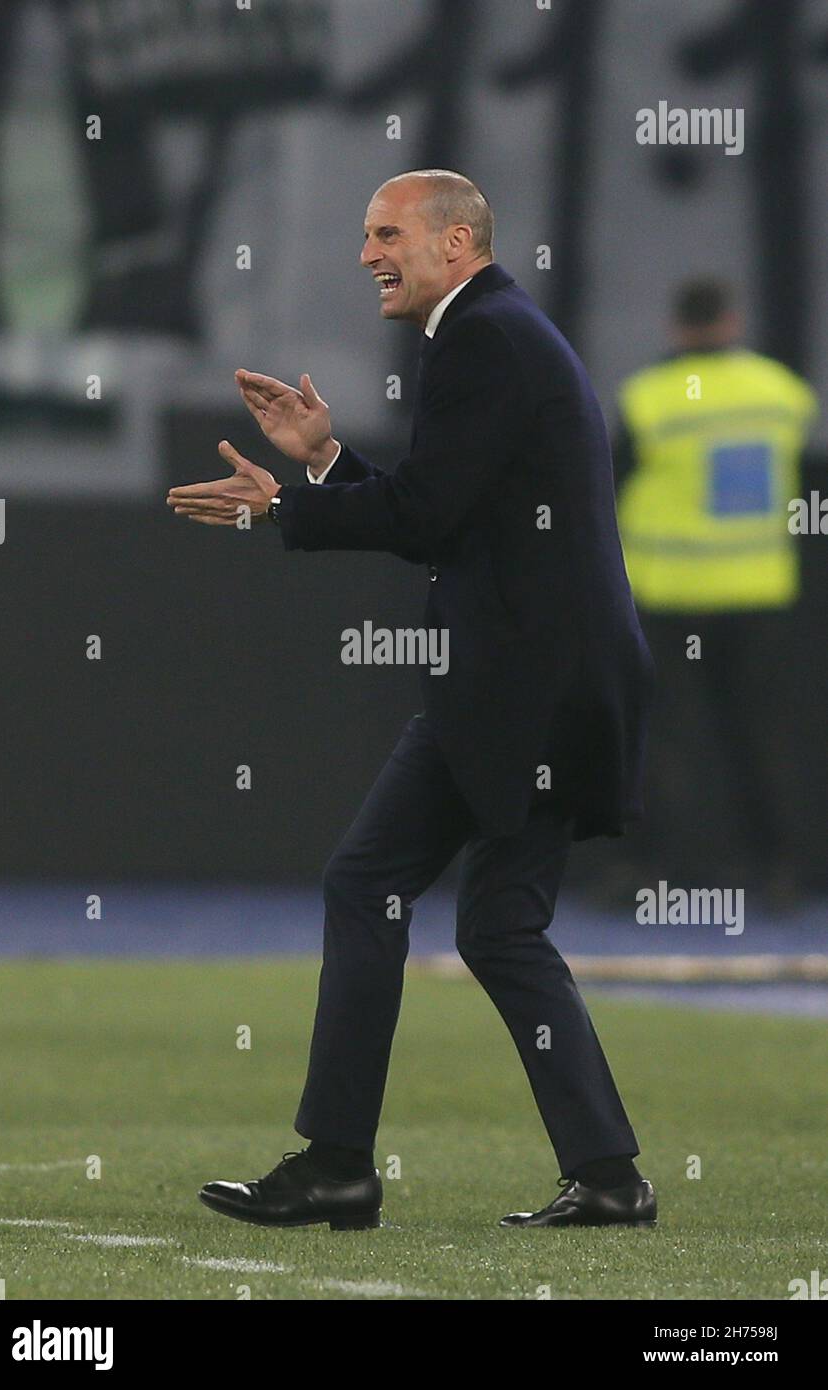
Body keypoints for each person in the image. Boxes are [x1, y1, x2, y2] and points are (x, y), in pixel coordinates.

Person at [168, 170, 656, 1231]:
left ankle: (338, 1163)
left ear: (454, 241)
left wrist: (284, 507)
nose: (365, 254)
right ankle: (607, 1175)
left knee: (366, 881)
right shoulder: (500, 331)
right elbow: (452, 507)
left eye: (385, 232)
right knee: (496, 926)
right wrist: (331, 460)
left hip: (521, 692)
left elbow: (429, 513)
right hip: (554, 682)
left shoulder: (479, 338)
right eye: (362, 234)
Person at [613, 279, 818, 904]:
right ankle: (781, 873)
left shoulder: (649, 399)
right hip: (759, 594)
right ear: (732, 320)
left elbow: (605, 487)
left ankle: (654, 876)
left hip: (671, 595)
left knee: (664, 738)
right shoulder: (782, 393)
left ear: (676, 326)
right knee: (765, 736)